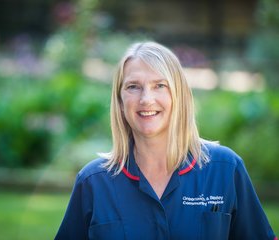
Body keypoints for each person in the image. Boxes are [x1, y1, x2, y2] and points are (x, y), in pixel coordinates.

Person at [55, 41, 277, 240]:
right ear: (120, 100)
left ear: (178, 96)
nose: (146, 99)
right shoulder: (93, 182)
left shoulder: (225, 169)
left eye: (159, 85)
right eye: (133, 87)